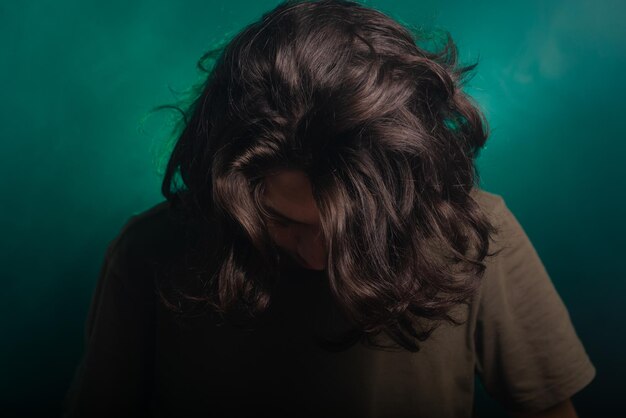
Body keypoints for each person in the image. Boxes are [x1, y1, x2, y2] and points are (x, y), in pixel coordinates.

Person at [62, 1, 595, 417]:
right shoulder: (147, 253)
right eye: (281, 221)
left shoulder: (476, 232)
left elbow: (547, 410)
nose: (319, 259)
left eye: (356, 227)